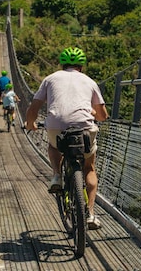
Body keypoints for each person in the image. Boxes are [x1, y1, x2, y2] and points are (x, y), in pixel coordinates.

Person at [25, 46, 109, 230]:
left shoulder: (50, 79)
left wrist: (30, 123)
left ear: (62, 64)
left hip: (56, 126)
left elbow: (34, 107)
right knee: (89, 167)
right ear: (82, 66)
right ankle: (91, 214)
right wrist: (93, 111)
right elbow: (103, 116)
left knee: (54, 147)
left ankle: (56, 176)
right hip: (85, 128)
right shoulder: (90, 81)